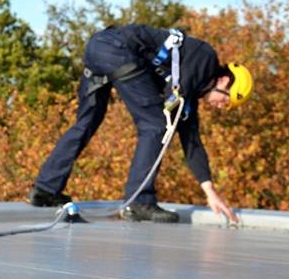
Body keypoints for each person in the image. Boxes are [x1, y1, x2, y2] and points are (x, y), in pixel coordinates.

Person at [27, 24, 252, 223]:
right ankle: (140, 202)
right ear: (224, 80)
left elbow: (191, 141)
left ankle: (46, 189)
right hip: (118, 50)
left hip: (99, 47)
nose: (221, 106)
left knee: (87, 122)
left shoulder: (192, 89)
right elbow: (172, 103)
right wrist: (174, 111)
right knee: (155, 125)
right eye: (226, 100)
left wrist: (209, 191)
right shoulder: (205, 59)